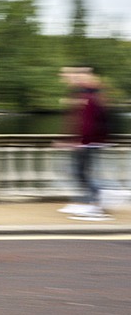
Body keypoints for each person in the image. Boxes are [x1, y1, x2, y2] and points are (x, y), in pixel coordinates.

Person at [58, 67, 111, 221]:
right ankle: (86, 202)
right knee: (80, 173)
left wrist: (80, 142)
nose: (72, 80)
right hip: (88, 141)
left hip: (89, 142)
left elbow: (88, 123)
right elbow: (78, 121)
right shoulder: (85, 95)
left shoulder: (89, 97)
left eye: (78, 77)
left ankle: (95, 207)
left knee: (84, 174)